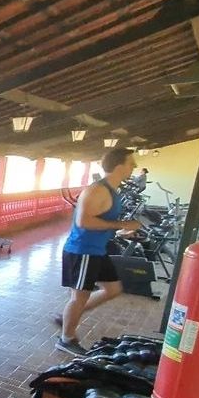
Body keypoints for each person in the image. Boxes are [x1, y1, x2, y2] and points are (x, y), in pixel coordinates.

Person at [56, 148, 141, 355]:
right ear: (119, 166)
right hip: (83, 250)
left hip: (97, 250)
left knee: (113, 289)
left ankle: (71, 315)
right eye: (131, 163)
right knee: (79, 297)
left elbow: (102, 222)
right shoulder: (98, 190)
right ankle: (66, 339)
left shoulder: (112, 190)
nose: (134, 167)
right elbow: (83, 222)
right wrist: (122, 223)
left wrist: (120, 231)